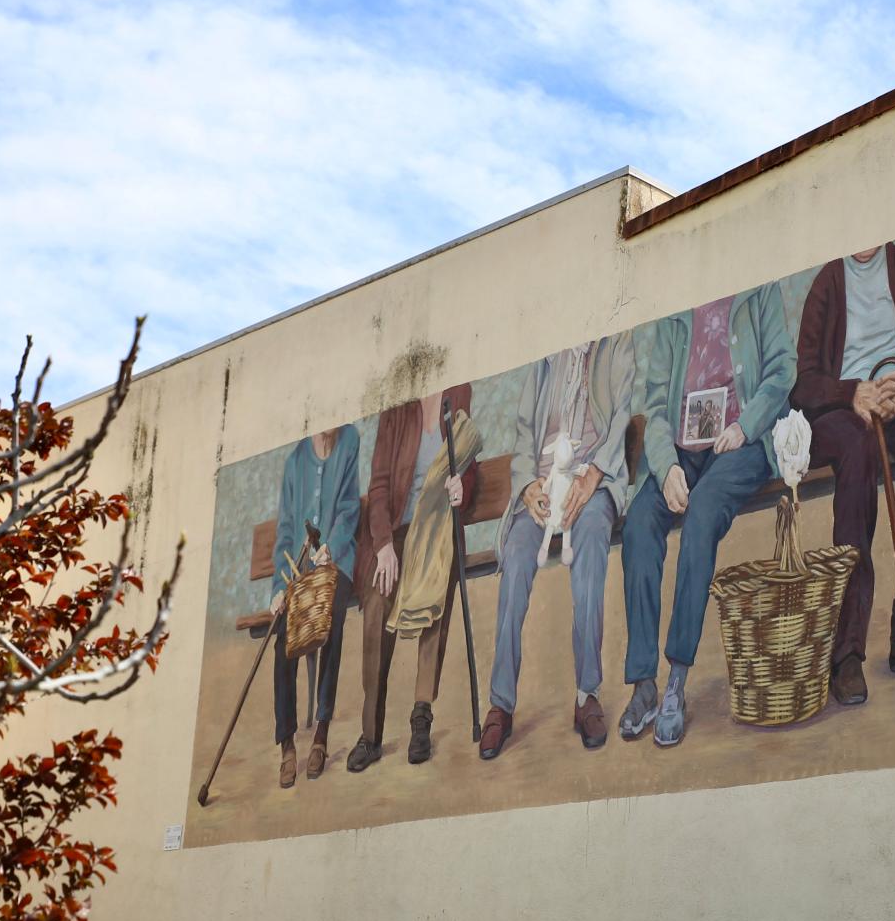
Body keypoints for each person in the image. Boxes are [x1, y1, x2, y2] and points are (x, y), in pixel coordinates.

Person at [618, 282, 795, 746]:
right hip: (681, 451)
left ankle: (676, 678)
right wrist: (666, 465)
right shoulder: (673, 312)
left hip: (742, 444)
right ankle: (643, 684)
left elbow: (781, 370)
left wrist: (745, 424)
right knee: (639, 525)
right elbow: (656, 406)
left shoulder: (759, 289)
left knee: (700, 519)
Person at [792, 244, 895, 705]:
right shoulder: (828, 281)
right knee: (858, 451)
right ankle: (846, 651)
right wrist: (852, 394)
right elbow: (804, 383)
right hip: (844, 411)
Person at [479, 335, 636, 758]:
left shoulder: (617, 340)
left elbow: (622, 414)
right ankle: (500, 704)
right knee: (514, 559)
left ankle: (586, 695)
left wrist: (595, 474)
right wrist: (528, 483)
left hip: (591, 482)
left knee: (588, 555)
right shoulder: (546, 352)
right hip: (544, 488)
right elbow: (525, 430)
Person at [346, 384, 480, 773]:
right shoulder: (397, 409)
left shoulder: (458, 393)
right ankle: (370, 734)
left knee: (438, 583)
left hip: (437, 526)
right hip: (399, 533)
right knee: (376, 600)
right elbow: (380, 484)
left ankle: (422, 713)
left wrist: (462, 487)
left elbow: (468, 461)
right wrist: (384, 544)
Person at [268, 425, 361, 789]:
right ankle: (288, 745)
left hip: (337, 564)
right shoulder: (295, 462)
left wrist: (333, 546)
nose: (328, 432)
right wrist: (279, 588)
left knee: (332, 619)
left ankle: (321, 733)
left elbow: (350, 508)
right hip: (299, 573)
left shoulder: (350, 440)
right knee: (282, 638)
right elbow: (287, 531)